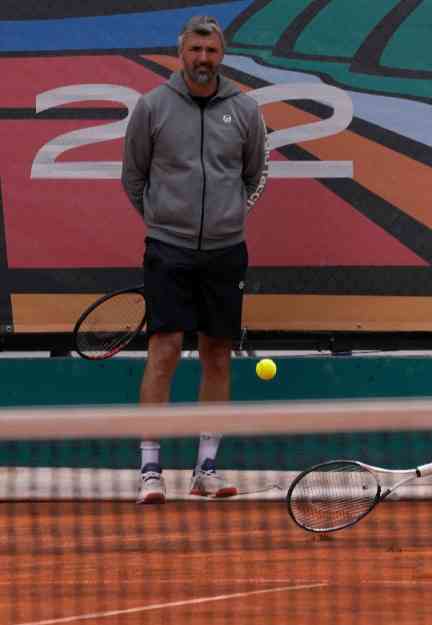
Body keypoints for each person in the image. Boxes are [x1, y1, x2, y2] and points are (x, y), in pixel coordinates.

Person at [122, 15, 269, 504]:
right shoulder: (152, 107)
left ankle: (206, 468)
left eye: (210, 51)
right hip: (168, 248)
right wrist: (166, 222)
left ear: (220, 56)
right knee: (163, 352)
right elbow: (134, 177)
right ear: (180, 55)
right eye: (194, 51)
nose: (203, 60)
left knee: (217, 355)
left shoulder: (245, 110)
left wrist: (228, 218)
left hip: (226, 252)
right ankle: (150, 471)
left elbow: (254, 175)